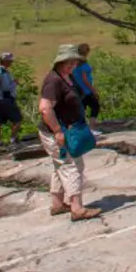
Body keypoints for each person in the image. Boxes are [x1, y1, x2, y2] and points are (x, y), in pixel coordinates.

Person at [38, 44, 100, 221]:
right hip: (57, 132)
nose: (72, 65)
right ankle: (77, 208)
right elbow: (44, 108)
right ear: (60, 61)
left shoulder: (67, 77)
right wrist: (57, 131)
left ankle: (57, 204)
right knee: (72, 165)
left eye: (74, 62)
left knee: (61, 165)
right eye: (69, 62)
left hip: (68, 129)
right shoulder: (53, 81)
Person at [0, 52, 22, 146]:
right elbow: (6, 88)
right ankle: (13, 141)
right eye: (9, 61)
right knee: (17, 120)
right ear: (4, 61)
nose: (11, 63)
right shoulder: (3, 73)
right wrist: (15, 82)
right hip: (5, 99)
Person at [72, 43, 102, 138]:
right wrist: (94, 90)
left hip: (78, 91)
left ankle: (81, 130)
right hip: (86, 91)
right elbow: (85, 79)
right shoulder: (83, 64)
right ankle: (91, 129)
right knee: (95, 107)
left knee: (81, 110)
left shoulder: (74, 64)